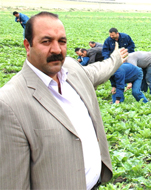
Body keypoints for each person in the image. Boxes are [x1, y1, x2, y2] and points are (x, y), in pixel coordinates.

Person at [0, 11, 128, 190]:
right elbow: (13, 183)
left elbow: (98, 71)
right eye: (46, 41)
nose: (56, 49)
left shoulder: (71, 68)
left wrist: (116, 59)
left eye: (62, 41)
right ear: (28, 46)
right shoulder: (8, 103)